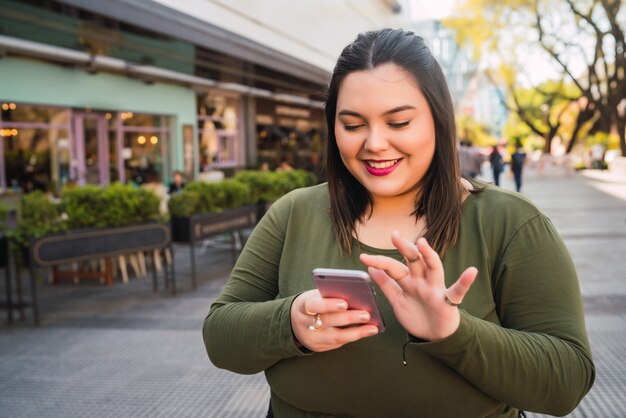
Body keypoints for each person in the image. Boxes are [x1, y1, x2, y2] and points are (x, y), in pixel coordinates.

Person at [203, 29, 594, 418]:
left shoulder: (509, 221)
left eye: (399, 122)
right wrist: (290, 322)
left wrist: (453, 332)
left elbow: (567, 382)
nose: (374, 143)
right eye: (353, 125)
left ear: (438, 120)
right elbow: (220, 337)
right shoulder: (294, 213)